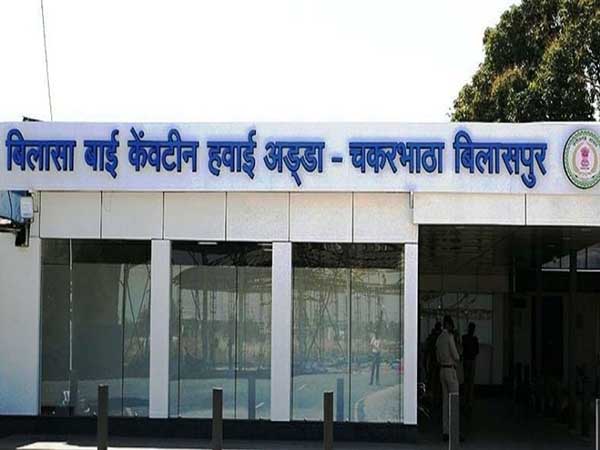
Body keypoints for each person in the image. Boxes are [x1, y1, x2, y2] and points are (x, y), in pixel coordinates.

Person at [436, 315, 462, 442]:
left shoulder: (439, 338)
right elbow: (456, 356)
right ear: (448, 324)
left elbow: (437, 357)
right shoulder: (450, 337)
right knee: (454, 401)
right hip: (450, 370)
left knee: (445, 402)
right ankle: (454, 432)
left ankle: (445, 431)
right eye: (451, 325)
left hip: (442, 370)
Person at [462, 322, 479, 415]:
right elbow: (477, 351)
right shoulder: (475, 339)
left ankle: (465, 401)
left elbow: (463, 348)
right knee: (471, 382)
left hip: (466, 360)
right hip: (472, 360)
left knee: (466, 381)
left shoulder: (464, 338)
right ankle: (470, 402)